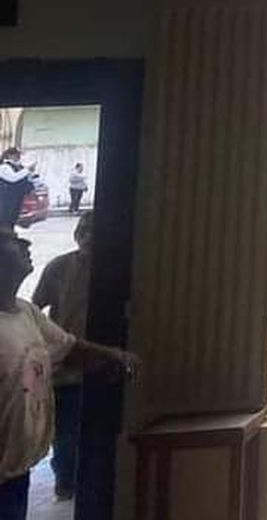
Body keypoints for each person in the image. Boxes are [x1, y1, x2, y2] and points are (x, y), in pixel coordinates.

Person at [0, 231, 136, 518]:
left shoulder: (26, 313)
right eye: (12, 241)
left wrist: (113, 356)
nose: (26, 244)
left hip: (16, 469)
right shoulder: (59, 269)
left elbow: (69, 348)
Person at [32, 214, 91, 502]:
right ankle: (66, 483)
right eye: (85, 230)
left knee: (93, 431)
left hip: (100, 366)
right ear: (77, 234)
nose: (89, 236)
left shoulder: (116, 267)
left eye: (96, 230)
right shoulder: (59, 267)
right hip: (66, 368)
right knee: (65, 433)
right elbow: (35, 308)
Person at [0, 152, 30, 233]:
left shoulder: (17, 166)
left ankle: (9, 233)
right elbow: (13, 178)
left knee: (12, 217)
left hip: (15, 197)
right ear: (9, 155)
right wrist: (27, 170)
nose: (18, 157)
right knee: (6, 218)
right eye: (16, 155)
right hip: (7, 198)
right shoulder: (4, 166)